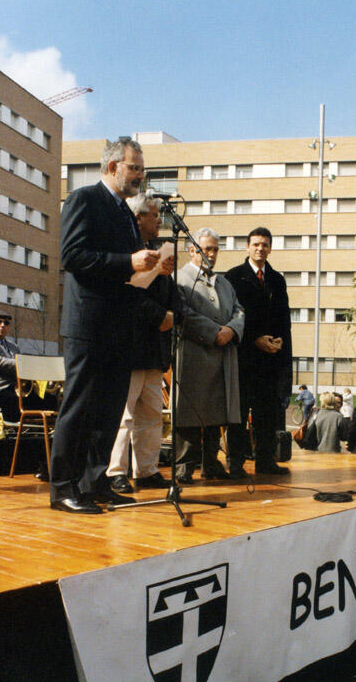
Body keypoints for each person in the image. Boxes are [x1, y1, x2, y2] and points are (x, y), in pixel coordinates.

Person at [49, 137, 164, 514]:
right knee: (80, 406)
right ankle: (64, 487)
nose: (140, 176)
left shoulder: (127, 215)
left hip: (119, 326)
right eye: (134, 168)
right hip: (89, 323)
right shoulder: (84, 200)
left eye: (142, 170)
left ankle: (95, 482)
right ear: (113, 167)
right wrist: (129, 262)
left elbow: (126, 269)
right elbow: (74, 256)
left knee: (109, 410)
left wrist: (150, 270)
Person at [108, 193, 180, 493]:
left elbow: (171, 294)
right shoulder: (127, 249)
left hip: (154, 348)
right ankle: (115, 471)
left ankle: (147, 470)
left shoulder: (158, 252)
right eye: (154, 215)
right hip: (130, 344)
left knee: (151, 414)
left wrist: (174, 313)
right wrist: (159, 315)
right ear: (138, 217)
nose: (159, 220)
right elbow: (130, 296)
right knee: (124, 415)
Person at [175, 228, 245, 484]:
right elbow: (183, 313)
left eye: (215, 249)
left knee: (217, 411)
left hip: (223, 355)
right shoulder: (180, 279)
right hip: (194, 353)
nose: (212, 254)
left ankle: (211, 463)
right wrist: (214, 331)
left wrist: (232, 330)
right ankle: (184, 465)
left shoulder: (224, 282)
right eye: (207, 249)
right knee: (189, 413)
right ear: (192, 250)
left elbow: (239, 311)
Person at [225, 227, 292, 477]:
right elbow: (232, 316)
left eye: (264, 245)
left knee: (267, 414)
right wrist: (254, 339)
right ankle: (236, 463)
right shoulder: (233, 277)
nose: (260, 249)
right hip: (244, 358)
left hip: (270, 360)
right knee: (239, 415)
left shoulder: (277, 279)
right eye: (255, 244)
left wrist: (281, 342)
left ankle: (265, 461)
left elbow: (284, 318)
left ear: (270, 248)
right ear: (247, 247)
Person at [0, 311, 20, 422]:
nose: (2, 325)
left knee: (45, 398)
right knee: (11, 398)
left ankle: (44, 430)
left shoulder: (13, 346)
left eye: (6, 323)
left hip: (14, 387)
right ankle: (12, 433)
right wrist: (20, 363)